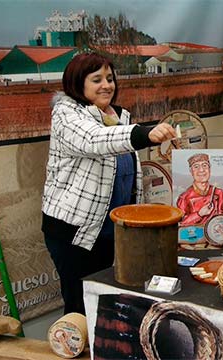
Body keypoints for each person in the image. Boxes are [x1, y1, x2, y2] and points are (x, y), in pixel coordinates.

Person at [42, 53, 177, 314]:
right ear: (77, 83)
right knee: (80, 304)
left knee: (104, 301)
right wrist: (145, 133)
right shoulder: (66, 114)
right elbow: (94, 140)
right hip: (74, 232)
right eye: (96, 79)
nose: (107, 85)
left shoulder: (117, 117)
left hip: (108, 231)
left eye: (110, 78)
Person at [176, 153, 223, 227]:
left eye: (204, 165)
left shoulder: (220, 193)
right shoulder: (184, 197)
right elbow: (181, 222)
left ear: (209, 169)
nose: (201, 170)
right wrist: (199, 214)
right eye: (196, 167)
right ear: (191, 171)